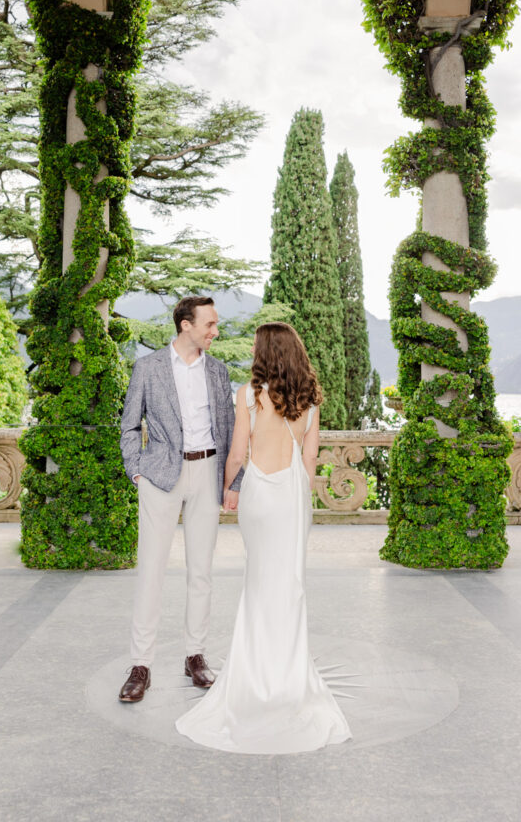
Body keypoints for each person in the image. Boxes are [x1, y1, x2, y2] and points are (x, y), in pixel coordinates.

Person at [175, 322, 352, 753]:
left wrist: (228, 490)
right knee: (290, 585)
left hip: (257, 491)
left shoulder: (248, 396)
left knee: (258, 583)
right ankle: (289, 679)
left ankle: (255, 677)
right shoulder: (310, 399)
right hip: (292, 495)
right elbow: (309, 461)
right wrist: (301, 505)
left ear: (266, 352)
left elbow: (238, 453)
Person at [118, 296, 242, 703]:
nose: (215, 331)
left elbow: (230, 430)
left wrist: (231, 482)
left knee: (201, 571)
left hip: (207, 473)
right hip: (160, 476)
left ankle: (195, 656)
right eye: (209, 324)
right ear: (185, 325)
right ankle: (141, 666)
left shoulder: (219, 371)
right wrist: (137, 471)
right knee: (151, 570)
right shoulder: (148, 368)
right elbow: (130, 426)